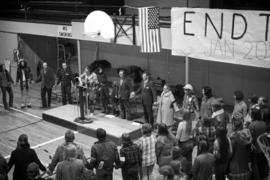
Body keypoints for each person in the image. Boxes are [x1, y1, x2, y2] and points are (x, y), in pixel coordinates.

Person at [248, 107, 268, 180]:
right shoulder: (264, 123)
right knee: (262, 163)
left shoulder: (252, 125)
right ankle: (264, 176)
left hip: (255, 148)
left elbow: (250, 138)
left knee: (255, 165)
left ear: (253, 115)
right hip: (263, 147)